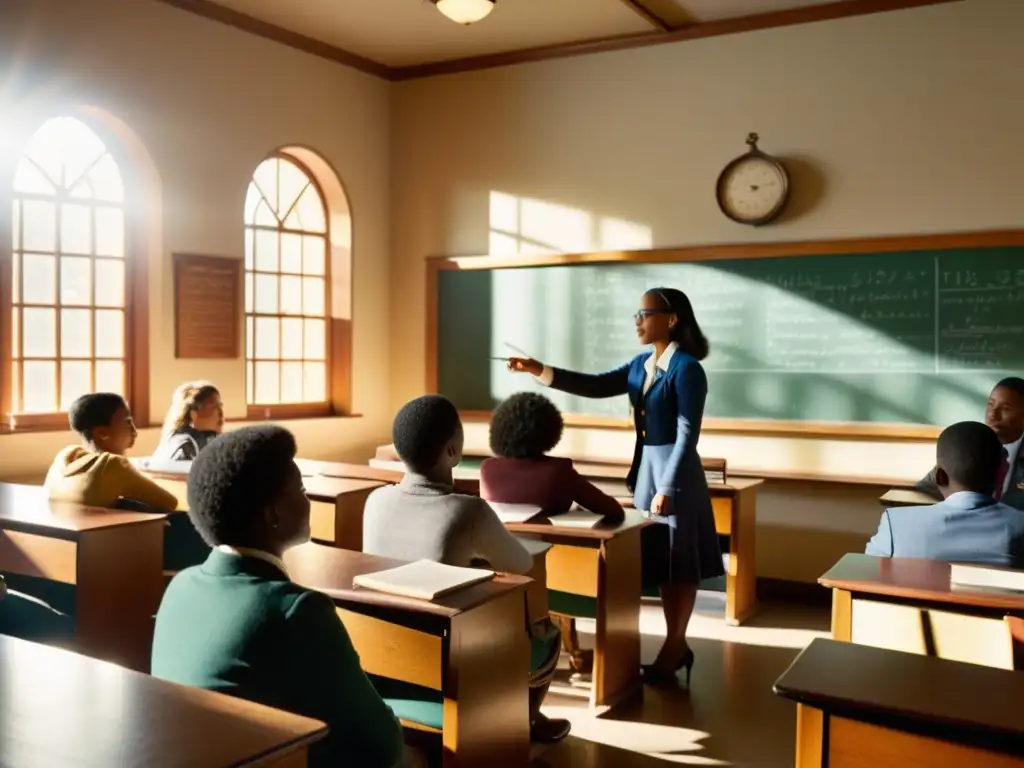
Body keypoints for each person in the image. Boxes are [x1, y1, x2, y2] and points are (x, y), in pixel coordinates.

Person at [152, 425, 407, 768]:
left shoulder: (179, 586)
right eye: (301, 489)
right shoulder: (297, 609)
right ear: (273, 513)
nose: (307, 498)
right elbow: (382, 746)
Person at [508, 287, 723, 687]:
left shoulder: (688, 369)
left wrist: (668, 488)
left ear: (671, 319)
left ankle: (676, 645)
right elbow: (593, 385)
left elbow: (687, 434)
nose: (638, 322)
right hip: (647, 474)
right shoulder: (642, 365)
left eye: (645, 313)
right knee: (659, 561)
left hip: (674, 476)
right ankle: (670, 647)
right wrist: (539, 369)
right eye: (636, 315)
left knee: (679, 565)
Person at [363, 395, 571, 744]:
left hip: (383, 656)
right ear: (452, 452)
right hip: (452, 662)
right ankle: (525, 722)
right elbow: (521, 564)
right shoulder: (469, 511)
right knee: (547, 632)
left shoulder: (375, 501)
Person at [479, 391, 624, 677]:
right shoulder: (558, 471)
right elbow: (613, 511)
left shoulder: (488, 469)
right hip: (555, 574)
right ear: (549, 430)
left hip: (498, 582)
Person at [867, 421, 1024, 566]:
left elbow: (864, 577)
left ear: (939, 477)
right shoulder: (1019, 526)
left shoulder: (895, 525)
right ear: (1001, 473)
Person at [45, 393, 177, 510]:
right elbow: (170, 503)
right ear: (102, 433)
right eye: (128, 423)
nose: (134, 431)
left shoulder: (66, 457)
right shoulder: (111, 465)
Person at [916, 378, 1024, 510]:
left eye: (1005, 409)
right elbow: (924, 489)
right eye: (991, 404)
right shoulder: (969, 445)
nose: (992, 414)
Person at [153, 381, 224, 461]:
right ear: (193, 414)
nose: (221, 413)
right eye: (215, 407)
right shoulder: (184, 448)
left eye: (221, 406)